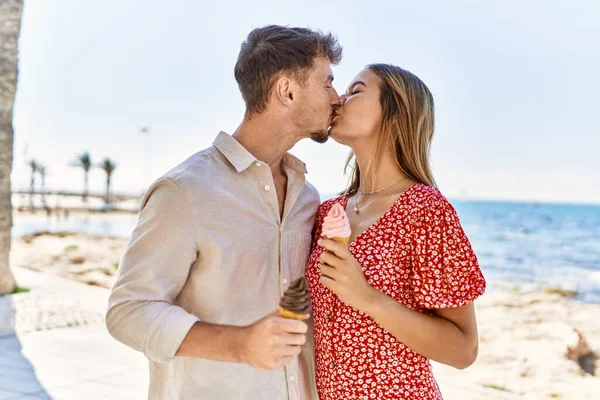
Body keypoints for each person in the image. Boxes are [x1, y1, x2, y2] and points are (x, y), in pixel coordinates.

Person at [106, 25, 342, 399]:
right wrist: (240, 345)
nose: (337, 96)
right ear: (288, 90)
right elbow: (128, 311)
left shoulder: (309, 199)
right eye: (327, 82)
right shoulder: (185, 190)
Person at [305, 63, 486, 399]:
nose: (339, 98)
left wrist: (368, 298)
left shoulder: (426, 210)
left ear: (394, 112)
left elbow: (464, 349)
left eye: (356, 90)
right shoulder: (326, 212)